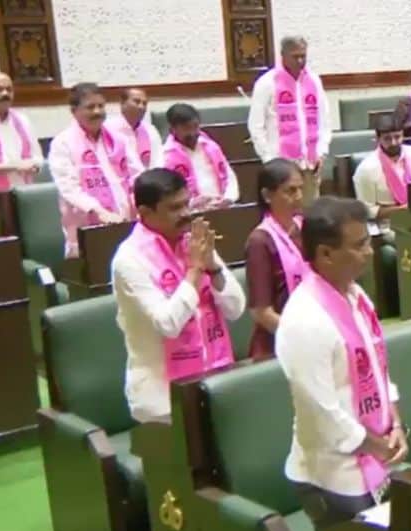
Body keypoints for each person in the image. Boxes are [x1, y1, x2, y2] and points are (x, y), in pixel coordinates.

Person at [276, 196, 408, 531]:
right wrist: (377, 445)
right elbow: (323, 412)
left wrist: (396, 424)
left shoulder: (355, 296)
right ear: (325, 254)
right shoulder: (305, 319)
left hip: (371, 458)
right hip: (332, 472)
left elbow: (378, 367)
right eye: (359, 245)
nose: (370, 252)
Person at [112, 168, 245, 421]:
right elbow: (168, 324)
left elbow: (235, 309)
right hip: (161, 399)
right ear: (145, 213)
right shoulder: (129, 260)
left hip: (214, 381)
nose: (186, 214)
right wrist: (195, 269)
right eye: (174, 208)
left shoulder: (192, 243)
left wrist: (213, 268)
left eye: (186, 203)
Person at [49, 83, 142, 257]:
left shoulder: (119, 139)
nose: (97, 111)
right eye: (90, 107)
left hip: (126, 222)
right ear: (74, 111)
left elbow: (138, 175)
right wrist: (100, 212)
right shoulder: (63, 143)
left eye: (101, 106)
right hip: (87, 229)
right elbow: (69, 188)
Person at [248, 35, 331, 205]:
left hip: (310, 165)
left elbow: (324, 120)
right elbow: (256, 126)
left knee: (310, 214)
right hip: (281, 166)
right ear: (283, 55)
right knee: (286, 212)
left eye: (303, 56)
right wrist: (269, 160)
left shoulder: (314, 81)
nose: (300, 61)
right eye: (295, 56)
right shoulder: (267, 83)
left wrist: (322, 151)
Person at [245, 158, 306, 359]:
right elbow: (261, 312)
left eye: (300, 189)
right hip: (276, 345)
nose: (299, 196)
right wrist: (301, 337)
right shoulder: (260, 241)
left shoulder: (306, 229)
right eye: (290, 191)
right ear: (267, 195)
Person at [352, 114, 411, 239]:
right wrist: (404, 210)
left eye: (397, 137)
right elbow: (367, 211)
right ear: (378, 139)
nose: (394, 142)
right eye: (387, 139)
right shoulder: (366, 169)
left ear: (403, 135)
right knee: (410, 240)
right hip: (389, 225)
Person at [0, 71, 42, 236]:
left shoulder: (22, 120)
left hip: (24, 198)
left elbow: (37, 157)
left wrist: (35, 166)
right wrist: (16, 167)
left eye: (9, 89)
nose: (5, 94)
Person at [162, 103, 240, 210]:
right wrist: (191, 203)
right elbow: (166, 194)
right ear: (172, 130)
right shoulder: (166, 156)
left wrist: (228, 198)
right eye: (186, 128)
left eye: (195, 126)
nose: (192, 133)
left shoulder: (211, 146)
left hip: (222, 207)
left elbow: (229, 175)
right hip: (190, 212)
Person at [105, 88, 163, 169]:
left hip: (150, 175)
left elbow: (159, 160)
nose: (141, 107)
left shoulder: (150, 130)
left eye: (144, 103)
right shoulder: (107, 129)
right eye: (137, 102)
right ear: (123, 103)